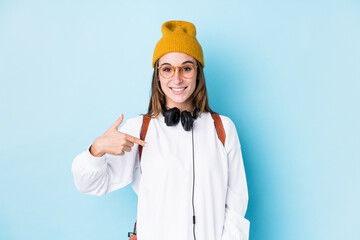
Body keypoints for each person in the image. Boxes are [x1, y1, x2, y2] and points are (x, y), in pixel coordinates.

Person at [72, 20, 250, 240]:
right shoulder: (139, 129)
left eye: (186, 68)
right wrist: (96, 150)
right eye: (167, 69)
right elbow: (90, 185)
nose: (177, 78)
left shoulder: (223, 128)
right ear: (158, 75)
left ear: (198, 73)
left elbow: (236, 204)